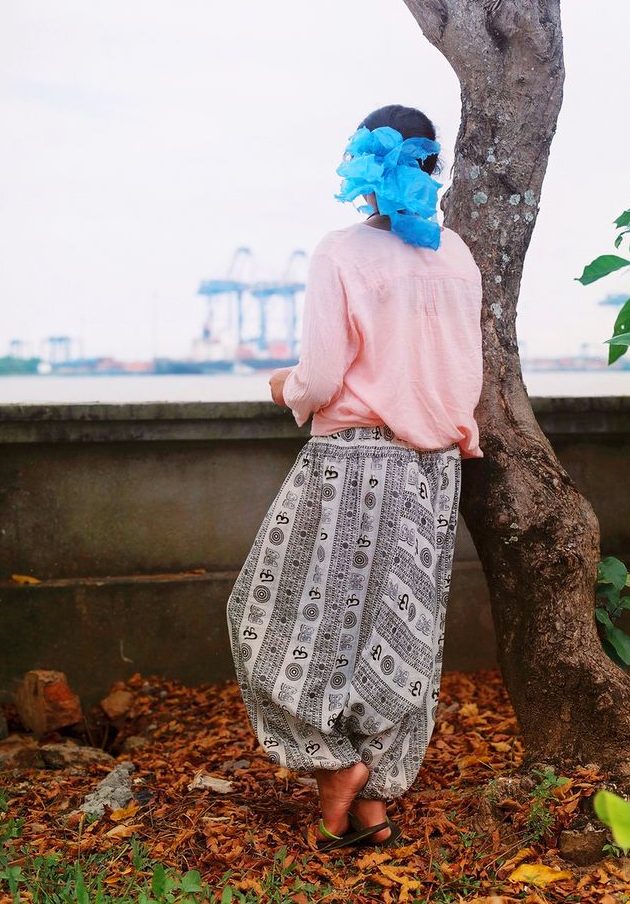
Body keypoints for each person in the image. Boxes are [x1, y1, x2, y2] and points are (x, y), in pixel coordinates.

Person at [226, 104, 484, 852]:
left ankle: (338, 764)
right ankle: (370, 796)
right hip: (435, 469)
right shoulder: (458, 255)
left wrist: (284, 389)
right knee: (399, 633)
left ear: (363, 173)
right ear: (429, 169)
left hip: (355, 461)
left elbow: (321, 374)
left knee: (276, 616)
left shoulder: (340, 253)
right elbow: (464, 367)